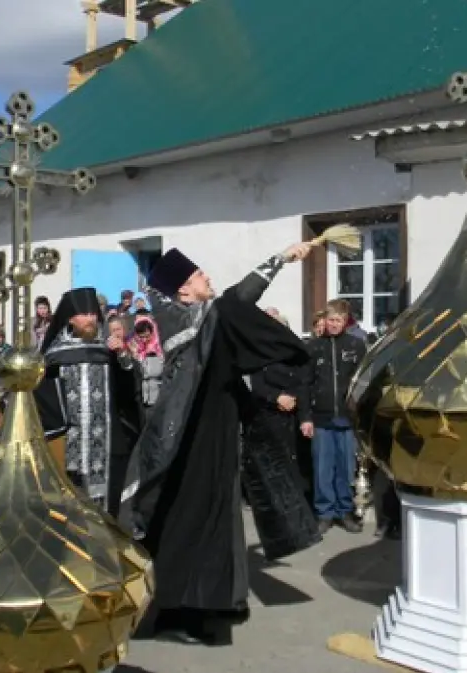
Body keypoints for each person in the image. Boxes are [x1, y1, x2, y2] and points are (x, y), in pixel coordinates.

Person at [121, 244, 319, 647]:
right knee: (189, 522)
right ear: (183, 292)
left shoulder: (205, 318)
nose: (206, 278)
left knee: (221, 518)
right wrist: (277, 259)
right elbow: (234, 302)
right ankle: (180, 609)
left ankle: (217, 600)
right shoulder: (182, 319)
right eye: (198, 276)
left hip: (219, 433)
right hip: (191, 441)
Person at [35, 287, 143, 516]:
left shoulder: (107, 351)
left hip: (106, 444)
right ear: (70, 318)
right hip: (67, 444)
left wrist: (123, 357)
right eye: (85, 314)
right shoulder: (54, 356)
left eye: (94, 313)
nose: (91, 318)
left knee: (107, 511)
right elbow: (44, 400)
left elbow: (127, 395)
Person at [243, 311, 320, 559]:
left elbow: (303, 386)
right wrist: (276, 398)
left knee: (298, 468)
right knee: (274, 471)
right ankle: (279, 525)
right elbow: (253, 386)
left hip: (293, 417)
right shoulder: (255, 351)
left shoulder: (294, 352)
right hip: (266, 416)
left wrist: (306, 417)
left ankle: (302, 522)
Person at [299, 299, 368, 534]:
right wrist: (305, 417)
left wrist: (361, 415)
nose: (334, 325)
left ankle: (344, 511)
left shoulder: (356, 345)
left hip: (347, 419)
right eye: (330, 320)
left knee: (345, 467)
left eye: (338, 320)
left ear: (345, 321)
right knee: (323, 468)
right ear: (325, 321)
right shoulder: (313, 347)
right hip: (320, 418)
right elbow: (304, 384)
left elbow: (363, 382)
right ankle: (324, 513)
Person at [130, 315, 163, 410]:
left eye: (147, 336)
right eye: (141, 337)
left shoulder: (160, 343)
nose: (144, 340)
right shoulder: (134, 344)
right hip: (143, 390)